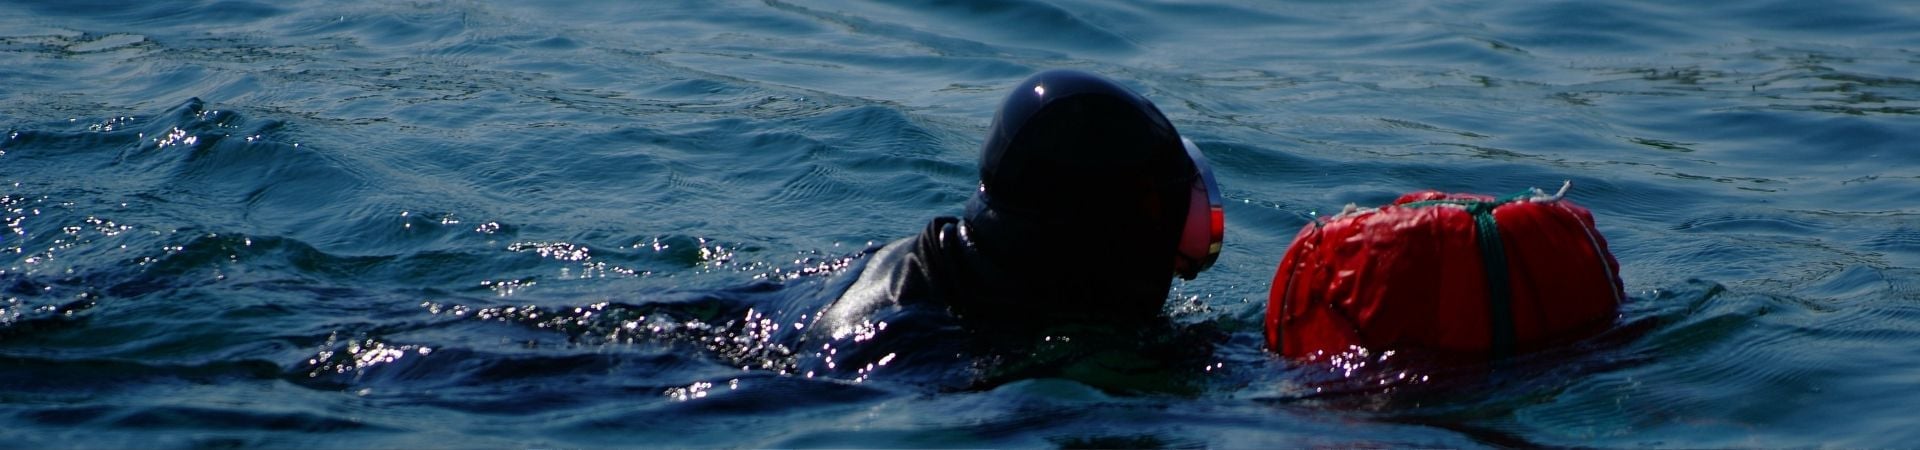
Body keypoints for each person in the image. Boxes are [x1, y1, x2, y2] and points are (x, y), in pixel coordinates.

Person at [782, 69, 1226, 390]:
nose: (1179, 268)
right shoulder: (934, 346)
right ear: (1108, 232)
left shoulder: (937, 262)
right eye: (1163, 218)